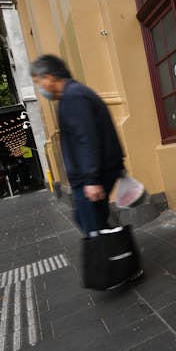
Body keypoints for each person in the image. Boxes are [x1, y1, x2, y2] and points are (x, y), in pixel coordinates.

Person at [30, 54, 124, 235]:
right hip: (93, 174)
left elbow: (87, 138)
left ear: (49, 78)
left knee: (92, 226)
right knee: (92, 221)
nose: (39, 88)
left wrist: (91, 180)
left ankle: (116, 257)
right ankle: (116, 253)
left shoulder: (74, 97)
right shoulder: (75, 94)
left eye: (38, 82)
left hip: (90, 177)